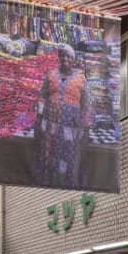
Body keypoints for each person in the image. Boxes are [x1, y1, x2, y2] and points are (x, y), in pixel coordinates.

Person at [34, 43, 95, 188]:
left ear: (73, 59)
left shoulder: (81, 79)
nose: (64, 58)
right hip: (50, 127)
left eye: (68, 56)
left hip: (70, 129)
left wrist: (86, 131)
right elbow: (42, 98)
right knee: (48, 157)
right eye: (61, 55)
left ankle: (65, 188)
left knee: (67, 158)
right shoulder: (51, 75)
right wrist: (37, 122)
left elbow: (87, 105)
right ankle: (47, 185)